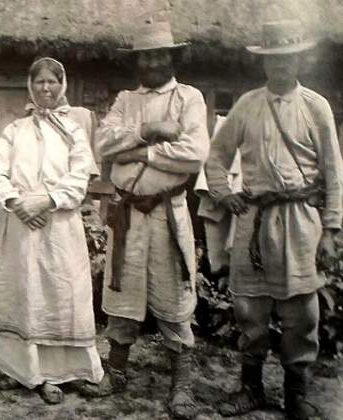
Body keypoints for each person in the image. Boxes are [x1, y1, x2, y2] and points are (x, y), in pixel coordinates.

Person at [205, 20, 342, 420]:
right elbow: (216, 158)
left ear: (300, 60)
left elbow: (333, 173)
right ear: (264, 62)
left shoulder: (316, 107)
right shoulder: (247, 105)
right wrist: (224, 194)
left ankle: (296, 395)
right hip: (254, 220)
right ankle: (251, 388)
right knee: (250, 308)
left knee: (302, 311)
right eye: (273, 59)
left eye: (289, 58)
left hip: (300, 220)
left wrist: (331, 230)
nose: (281, 65)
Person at [94, 18, 209, 419]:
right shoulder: (126, 100)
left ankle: (182, 383)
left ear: (173, 58)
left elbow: (194, 154)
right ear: (137, 61)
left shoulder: (189, 98)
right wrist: (149, 129)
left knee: (173, 292)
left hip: (167, 212)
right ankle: (117, 371)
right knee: (122, 291)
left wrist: (140, 152)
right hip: (128, 213)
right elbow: (103, 143)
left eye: (160, 55)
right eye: (146, 57)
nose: (153, 63)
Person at [0, 57, 103, 404]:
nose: (46, 88)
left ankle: (64, 372)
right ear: (30, 85)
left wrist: (48, 201)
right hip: (19, 225)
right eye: (40, 82)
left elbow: (80, 177)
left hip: (59, 225)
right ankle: (23, 371)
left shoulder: (74, 131)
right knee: (23, 294)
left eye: (52, 81)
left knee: (60, 294)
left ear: (62, 84)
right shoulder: (14, 129)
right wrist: (16, 202)